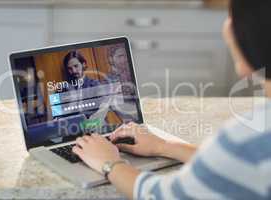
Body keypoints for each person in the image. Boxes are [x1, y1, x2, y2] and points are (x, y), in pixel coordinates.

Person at [72, 1, 271, 199]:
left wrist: (109, 163)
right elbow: (234, 167)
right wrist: (164, 146)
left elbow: (161, 195)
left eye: (232, 16)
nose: (227, 25)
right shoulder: (251, 142)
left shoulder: (245, 139)